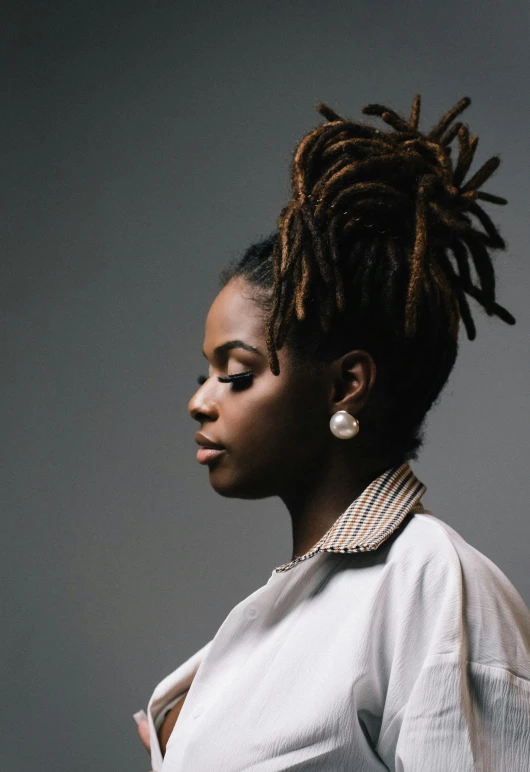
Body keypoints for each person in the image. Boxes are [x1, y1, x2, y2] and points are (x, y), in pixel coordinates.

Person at [133, 95, 530, 771]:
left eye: (236, 373)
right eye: (207, 373)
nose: (199, 403)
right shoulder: (285, 613)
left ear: (346, 384)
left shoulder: (433, 585)